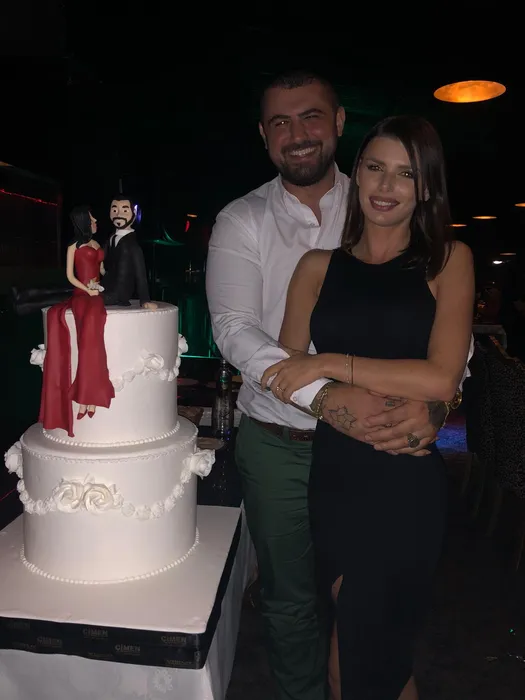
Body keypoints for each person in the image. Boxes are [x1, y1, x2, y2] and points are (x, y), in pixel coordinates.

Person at [206, 70, 470, 700]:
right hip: (300, 449)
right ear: (264, 135)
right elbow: (244, 335)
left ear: (339, 123)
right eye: (280, 121)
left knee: (369, 645)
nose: (297, 133)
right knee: (303, 608)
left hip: (397, 466)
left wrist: (439, 405)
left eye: (311, 116)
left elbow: (447, 362)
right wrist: (326, 394)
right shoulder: (249, 222)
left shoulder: (421, 238)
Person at [39, 205, 115, 436]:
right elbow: (70, 276)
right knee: (86, 339)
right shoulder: (74, 246)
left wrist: (108, 278)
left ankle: (89, 396)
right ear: (83, 222)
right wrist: (87, 288)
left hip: (96, 294)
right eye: (91, 219)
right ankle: (84, 396)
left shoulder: (97, 244)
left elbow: (102, 270)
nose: (95, 221)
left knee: (93, 340)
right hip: (82, 295)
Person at [102, 194, 157, 309]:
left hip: (119, 293)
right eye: (114, 210)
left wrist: (145, 299)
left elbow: (141, 274)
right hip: (104, 287)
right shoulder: (110, 238)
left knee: (86, 299)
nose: (118, 214)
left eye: (125, 210)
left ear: (134, 214)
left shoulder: (132, 245)